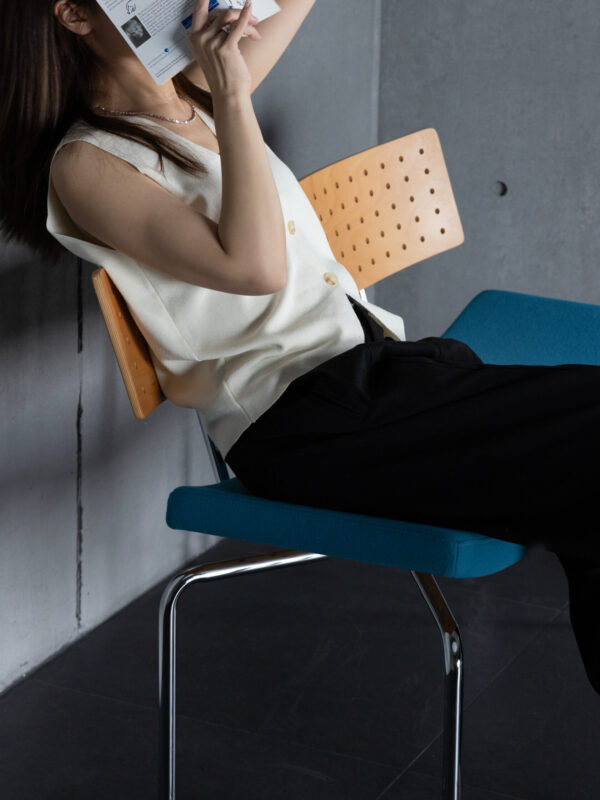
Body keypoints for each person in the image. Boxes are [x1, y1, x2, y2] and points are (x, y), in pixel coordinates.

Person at [1, 0, 599, 697]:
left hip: (378, 379)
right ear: (74, 15)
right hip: (305, 427)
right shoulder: (88, 162)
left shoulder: (197, 90)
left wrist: (226, 65)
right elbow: (257, 269)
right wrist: (229, 92)